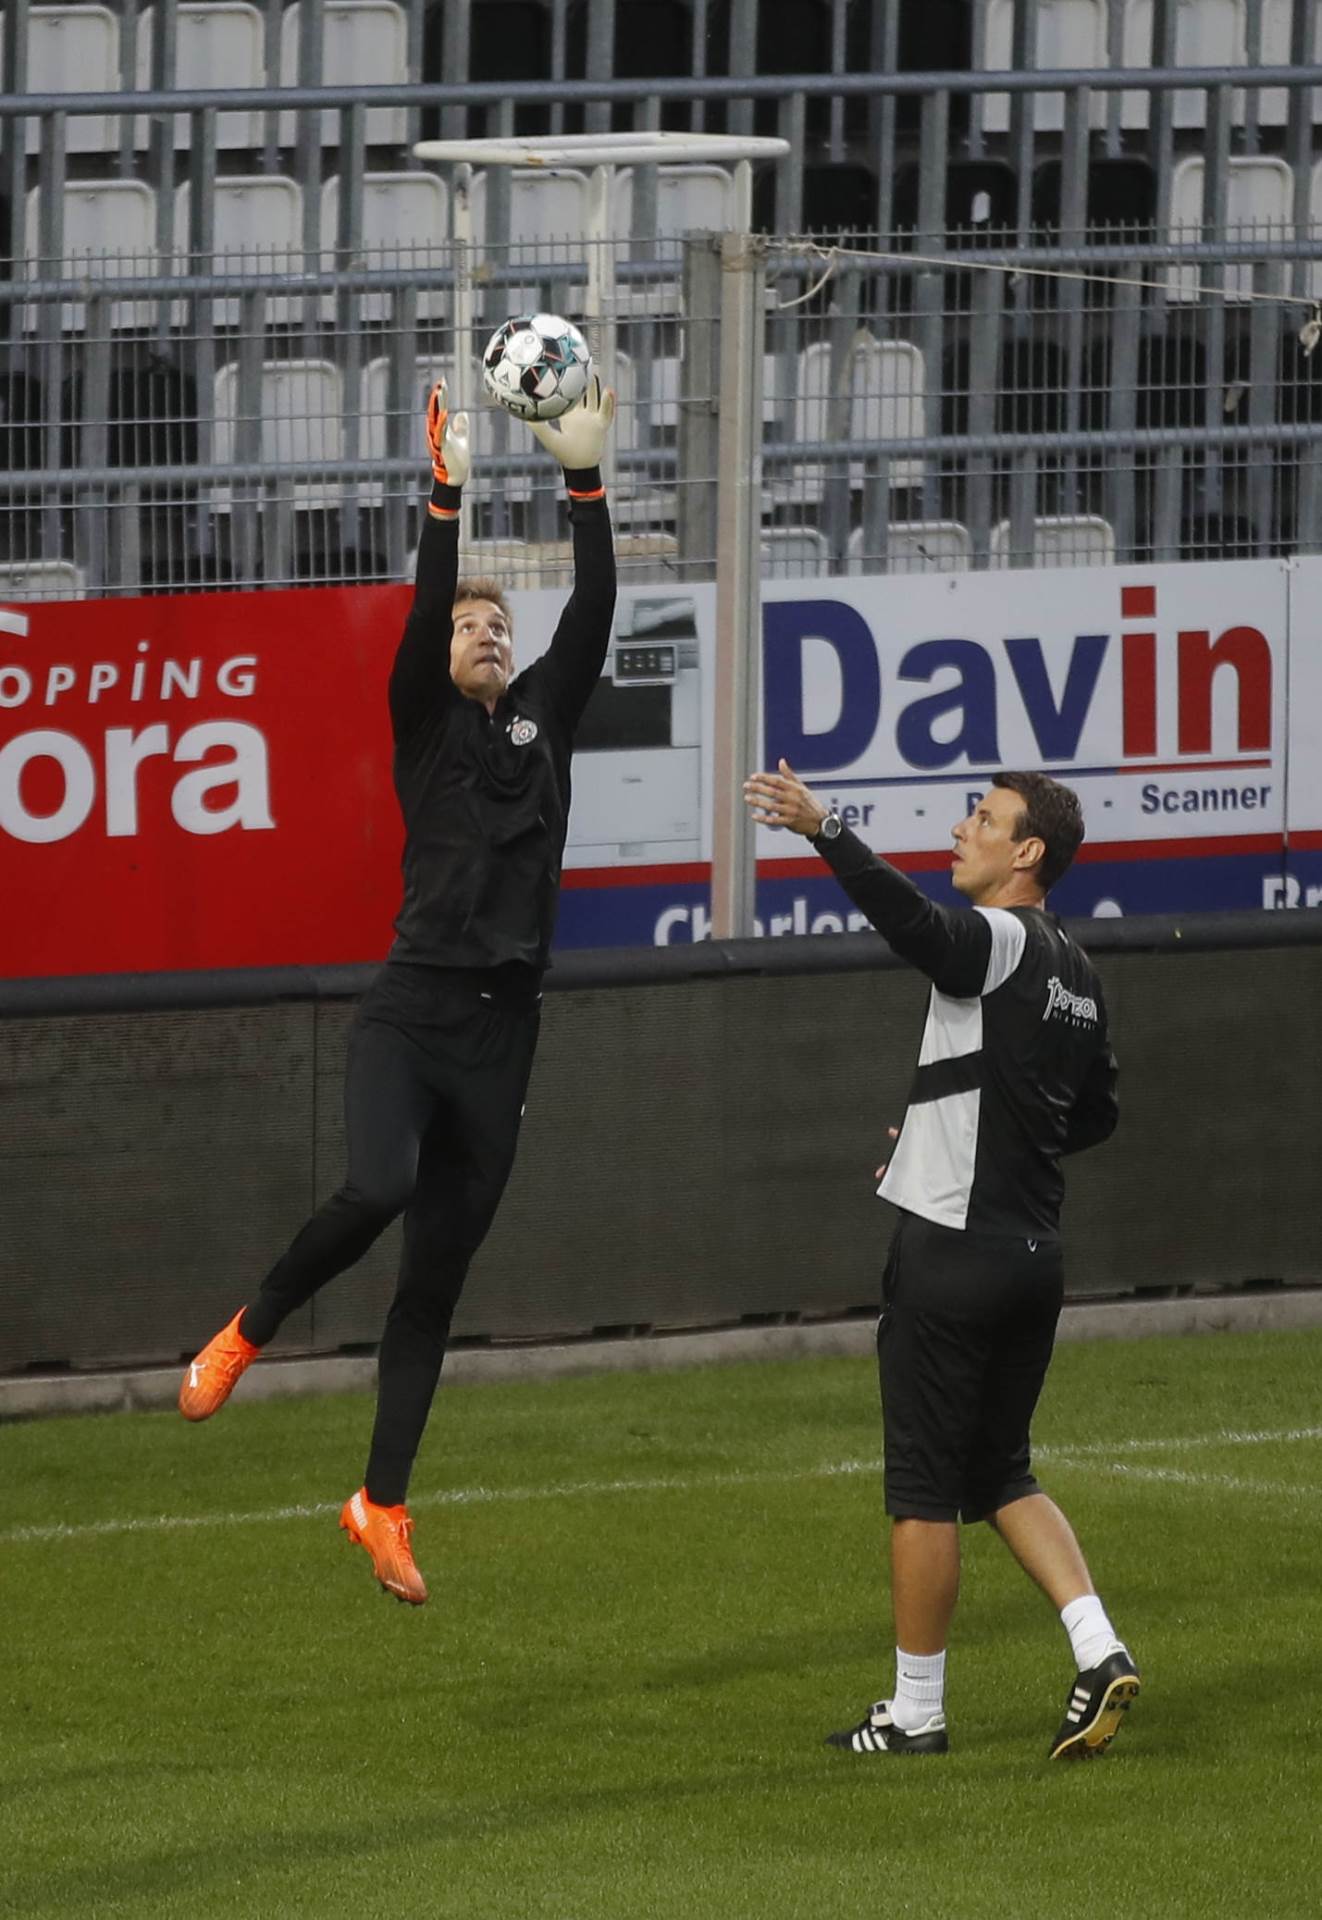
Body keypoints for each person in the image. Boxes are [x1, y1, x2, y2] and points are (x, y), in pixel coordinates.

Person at [179, 375, 617, 1606]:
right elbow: (430, 593)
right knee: (377, 1183)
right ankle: (248, 1329)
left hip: (504, 1037)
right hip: (410, 1010)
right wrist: (446, 495)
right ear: (435, 656)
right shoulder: (420, 722)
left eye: (494, 624)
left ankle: (380, 1502)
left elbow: (596, 603)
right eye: (465, 624)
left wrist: (583, 482)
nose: (482, 630)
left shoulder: (544, 724)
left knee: (435, 1281)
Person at [743, 760, 1137, 1761]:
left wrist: (824, 825)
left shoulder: (1000, 937)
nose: (963, 829)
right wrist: (948, 1129)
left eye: (983, 818)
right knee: (1001, 1469)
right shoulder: (1078, 974)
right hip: (1031, 1254)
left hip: (952, 1254)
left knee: (921, 1488)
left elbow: (916, 929)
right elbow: (1090, 1114)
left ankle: (914, 1712)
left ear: (1026, 854)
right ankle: (1097, 1649)